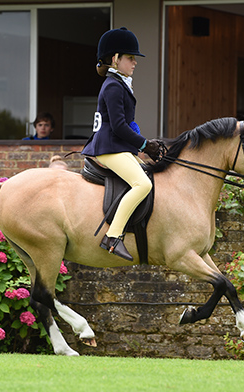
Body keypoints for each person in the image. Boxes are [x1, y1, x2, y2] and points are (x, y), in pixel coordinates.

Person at [81, 27, 161, 261]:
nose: (135, 62)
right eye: (130, 57)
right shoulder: (114, 85)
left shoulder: (119, 82)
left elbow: (127, 123)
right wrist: (145, 145)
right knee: (142, 185)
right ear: (115, 59)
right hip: (109, 148)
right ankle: (113, 237)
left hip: (116, 146)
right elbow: (118, 126)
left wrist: (142, 144)